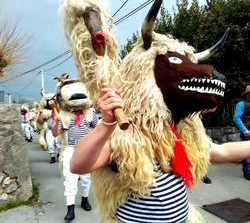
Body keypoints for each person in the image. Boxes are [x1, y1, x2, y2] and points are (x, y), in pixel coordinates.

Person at [70, 88, 250, 223]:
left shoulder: (181, 135)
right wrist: (106, 124)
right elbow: (78, 165)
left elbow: (224, 151)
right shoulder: (124, 137)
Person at [52, 106, 98, 221]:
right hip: (70, 148)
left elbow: (98, 129)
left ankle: (84, 199)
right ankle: (70, 208)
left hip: (86, 149)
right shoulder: (65, 116)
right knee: (69, 177)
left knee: (86, 177)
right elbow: (55, 134)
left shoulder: (90, 114)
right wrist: (56, 123)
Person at [233, 85, 250, 180]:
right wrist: (244, 130)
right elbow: (236, 117)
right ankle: (247, 172)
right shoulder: (241, 104)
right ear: (247, 95)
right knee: (246, 153)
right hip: (247, 132)